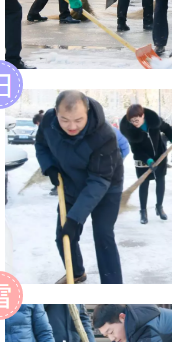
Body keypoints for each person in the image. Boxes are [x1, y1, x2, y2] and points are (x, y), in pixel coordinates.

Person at [36, 90, 124, 284]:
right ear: (56, 113)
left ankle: (113, 288)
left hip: (106, 187)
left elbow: (99, 180)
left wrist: (76, 218)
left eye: (78, 120)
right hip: (70, 183)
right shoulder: (49, 121)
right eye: (65, 120)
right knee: (64, 236)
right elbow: (41, 144)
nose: (72, 126)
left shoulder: (104, 135)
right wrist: (49, 166)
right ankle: (76, 272)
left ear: (88, 111)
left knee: (103, 235)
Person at [120, 104, 172, 225]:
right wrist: (148, 160)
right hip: (142, 160)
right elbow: (136, 150)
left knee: (160, 180)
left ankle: (159, 207)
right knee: (144, 183)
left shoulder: (154, 121)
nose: (134, 123)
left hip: (159, 156)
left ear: (143, 116)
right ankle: (143, 211)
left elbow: (167, 128)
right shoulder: (131, 131)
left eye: (136, 120)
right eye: (132, 121)